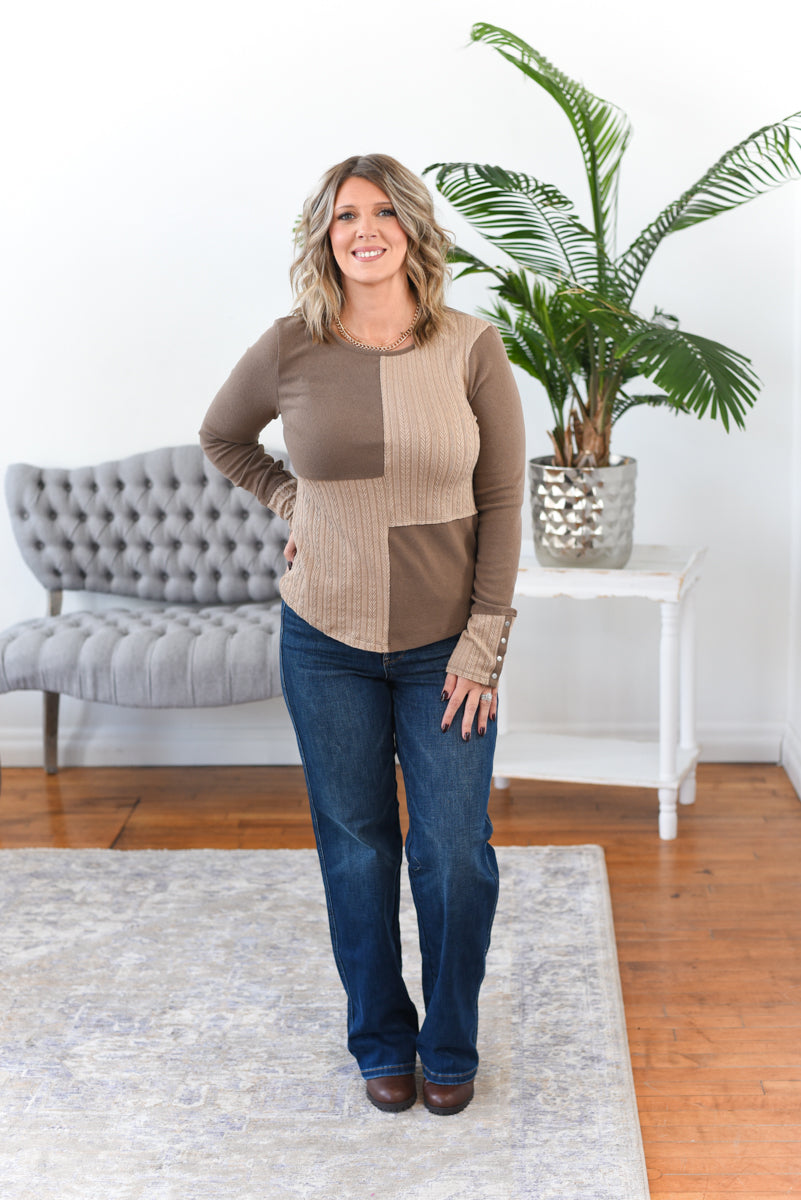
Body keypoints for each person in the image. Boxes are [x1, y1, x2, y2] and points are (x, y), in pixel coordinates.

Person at [199, 153, 525, 1116]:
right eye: (346, 215)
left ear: (413, 230)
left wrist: (486, 638)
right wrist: (290, 498)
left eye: (383, 212)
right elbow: (223, 438)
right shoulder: (290, 346)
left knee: (454, 853)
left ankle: (449, 1044)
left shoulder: (470, 345)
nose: (365, 229)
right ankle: (380, 1039)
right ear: (325, 235)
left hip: (445, 648)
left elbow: (502, 500)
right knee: (356, 850)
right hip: (325, 639)